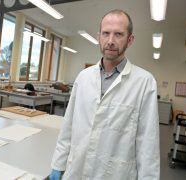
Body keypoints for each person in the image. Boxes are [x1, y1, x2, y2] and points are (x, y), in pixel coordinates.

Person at [49, 9, 160, 180]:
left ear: (130, 40)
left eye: (118, 34)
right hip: (76, 170)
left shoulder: (144, 82)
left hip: (115, 174)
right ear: (98, 36)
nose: (110, 41)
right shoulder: (83, 77)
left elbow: (148, 143)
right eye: (106, 33)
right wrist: (58, 163)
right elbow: (68, 126)